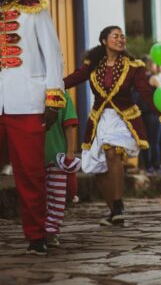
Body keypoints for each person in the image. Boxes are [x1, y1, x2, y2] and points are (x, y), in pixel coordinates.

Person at [64, 26, 161, 226]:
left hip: (123, 119)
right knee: (97, 167)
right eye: (115, 36)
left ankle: (119, 203)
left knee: (112, 152)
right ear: (104, 41)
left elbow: (146, 93)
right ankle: (114, 213)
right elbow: (74, 78)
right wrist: (53, 86)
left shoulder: (133, 66)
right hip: (99, 119)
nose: (120, 39)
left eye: (122, 36)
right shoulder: (93, 64)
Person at [0, 0, 66, 255]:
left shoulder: (34, 8)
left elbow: (53, 55)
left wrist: (53, 98)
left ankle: (36, 235)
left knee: (30, 173)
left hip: (27, 101)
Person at [44, 91, 80, 247]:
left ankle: (51, 231)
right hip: (32, 155)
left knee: (57, 199)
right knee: (37, 196)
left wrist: (70, 154)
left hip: (57, 155)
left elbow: (70, 125)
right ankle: (38, 231)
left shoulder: (61, 93)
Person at [135, 55, 161, 176]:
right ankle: (156, 167)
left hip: (141, 114)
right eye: (153, 64)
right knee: (155, 142)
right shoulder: (153, 79)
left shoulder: (138, 79)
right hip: (153, 114)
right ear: (149, 65)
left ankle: (148, 167)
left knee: (145, 142)